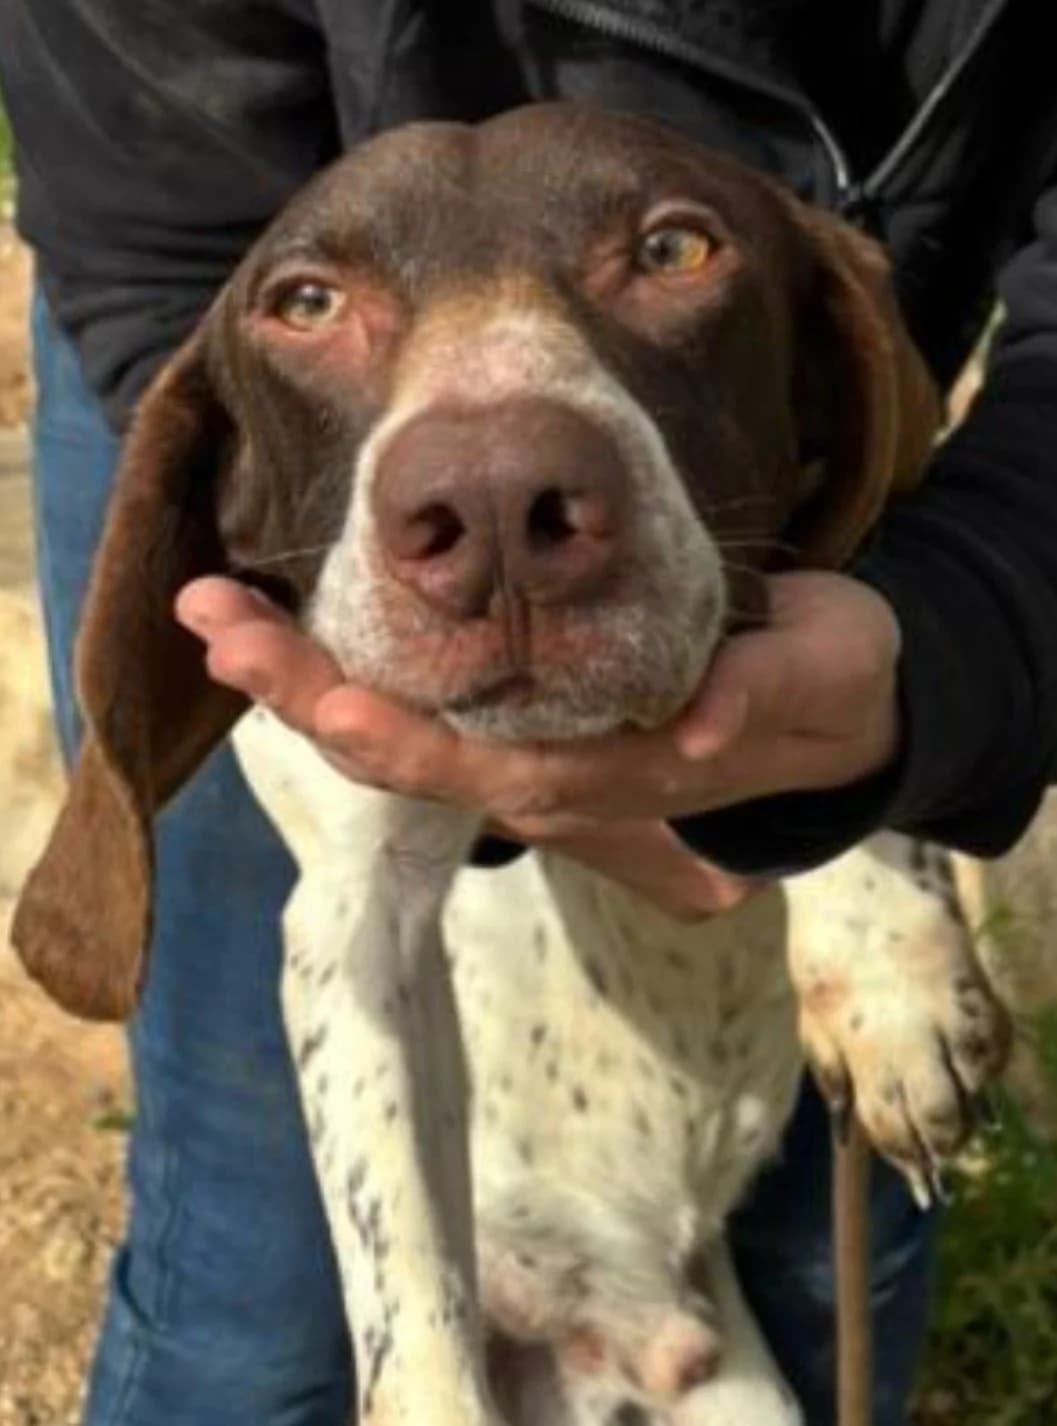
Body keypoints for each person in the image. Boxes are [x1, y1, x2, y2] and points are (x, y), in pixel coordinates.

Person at [1, 4, 1055, 1424]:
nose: (498, 460)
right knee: (253, 1315)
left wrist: (936, 643)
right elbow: (162, 236)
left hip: (793, 402)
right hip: (232, 278)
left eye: (667, 251)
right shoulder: (242, 416)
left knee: (827, 1254)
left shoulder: (824, 363)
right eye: (311, 302)